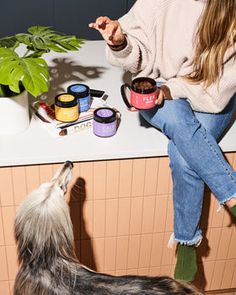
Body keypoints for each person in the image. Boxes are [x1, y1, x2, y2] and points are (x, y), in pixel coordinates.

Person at [89, 0, 236, 283]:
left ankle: (186, 241)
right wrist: (121, 43)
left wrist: (174, 89)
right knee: (180, 124)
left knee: (183, 155)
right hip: (158, 90)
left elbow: (217, 90)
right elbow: (138, 55)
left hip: (209, 96)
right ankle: (231, 193)